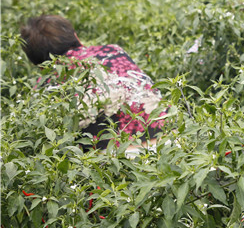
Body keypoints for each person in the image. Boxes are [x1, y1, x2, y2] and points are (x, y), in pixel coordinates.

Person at [20, 15, 167, 150]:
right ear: (76, 37)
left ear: (38, 64)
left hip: (115, 159)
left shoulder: (45, 84)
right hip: (169, 140)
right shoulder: (113, 50)